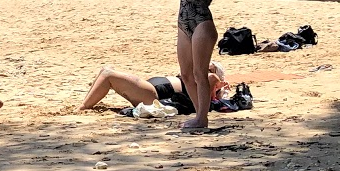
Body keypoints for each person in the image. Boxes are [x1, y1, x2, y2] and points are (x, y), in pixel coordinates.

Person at [160, 0, 224, 133]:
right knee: (186, 74)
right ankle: (199, 115)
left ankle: (201, 118)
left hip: (202, 24)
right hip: (183, 24)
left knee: (199, 72)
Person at [78, 61, 228, 113]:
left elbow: (211, 97)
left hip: (153, 95)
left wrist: (219, 86)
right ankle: (85, 104)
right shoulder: (193, 77)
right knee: (106, 70)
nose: (205, 67)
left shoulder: (210, 79)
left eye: (211, 67)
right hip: (150, 90)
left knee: (108, 74)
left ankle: (83, 107)